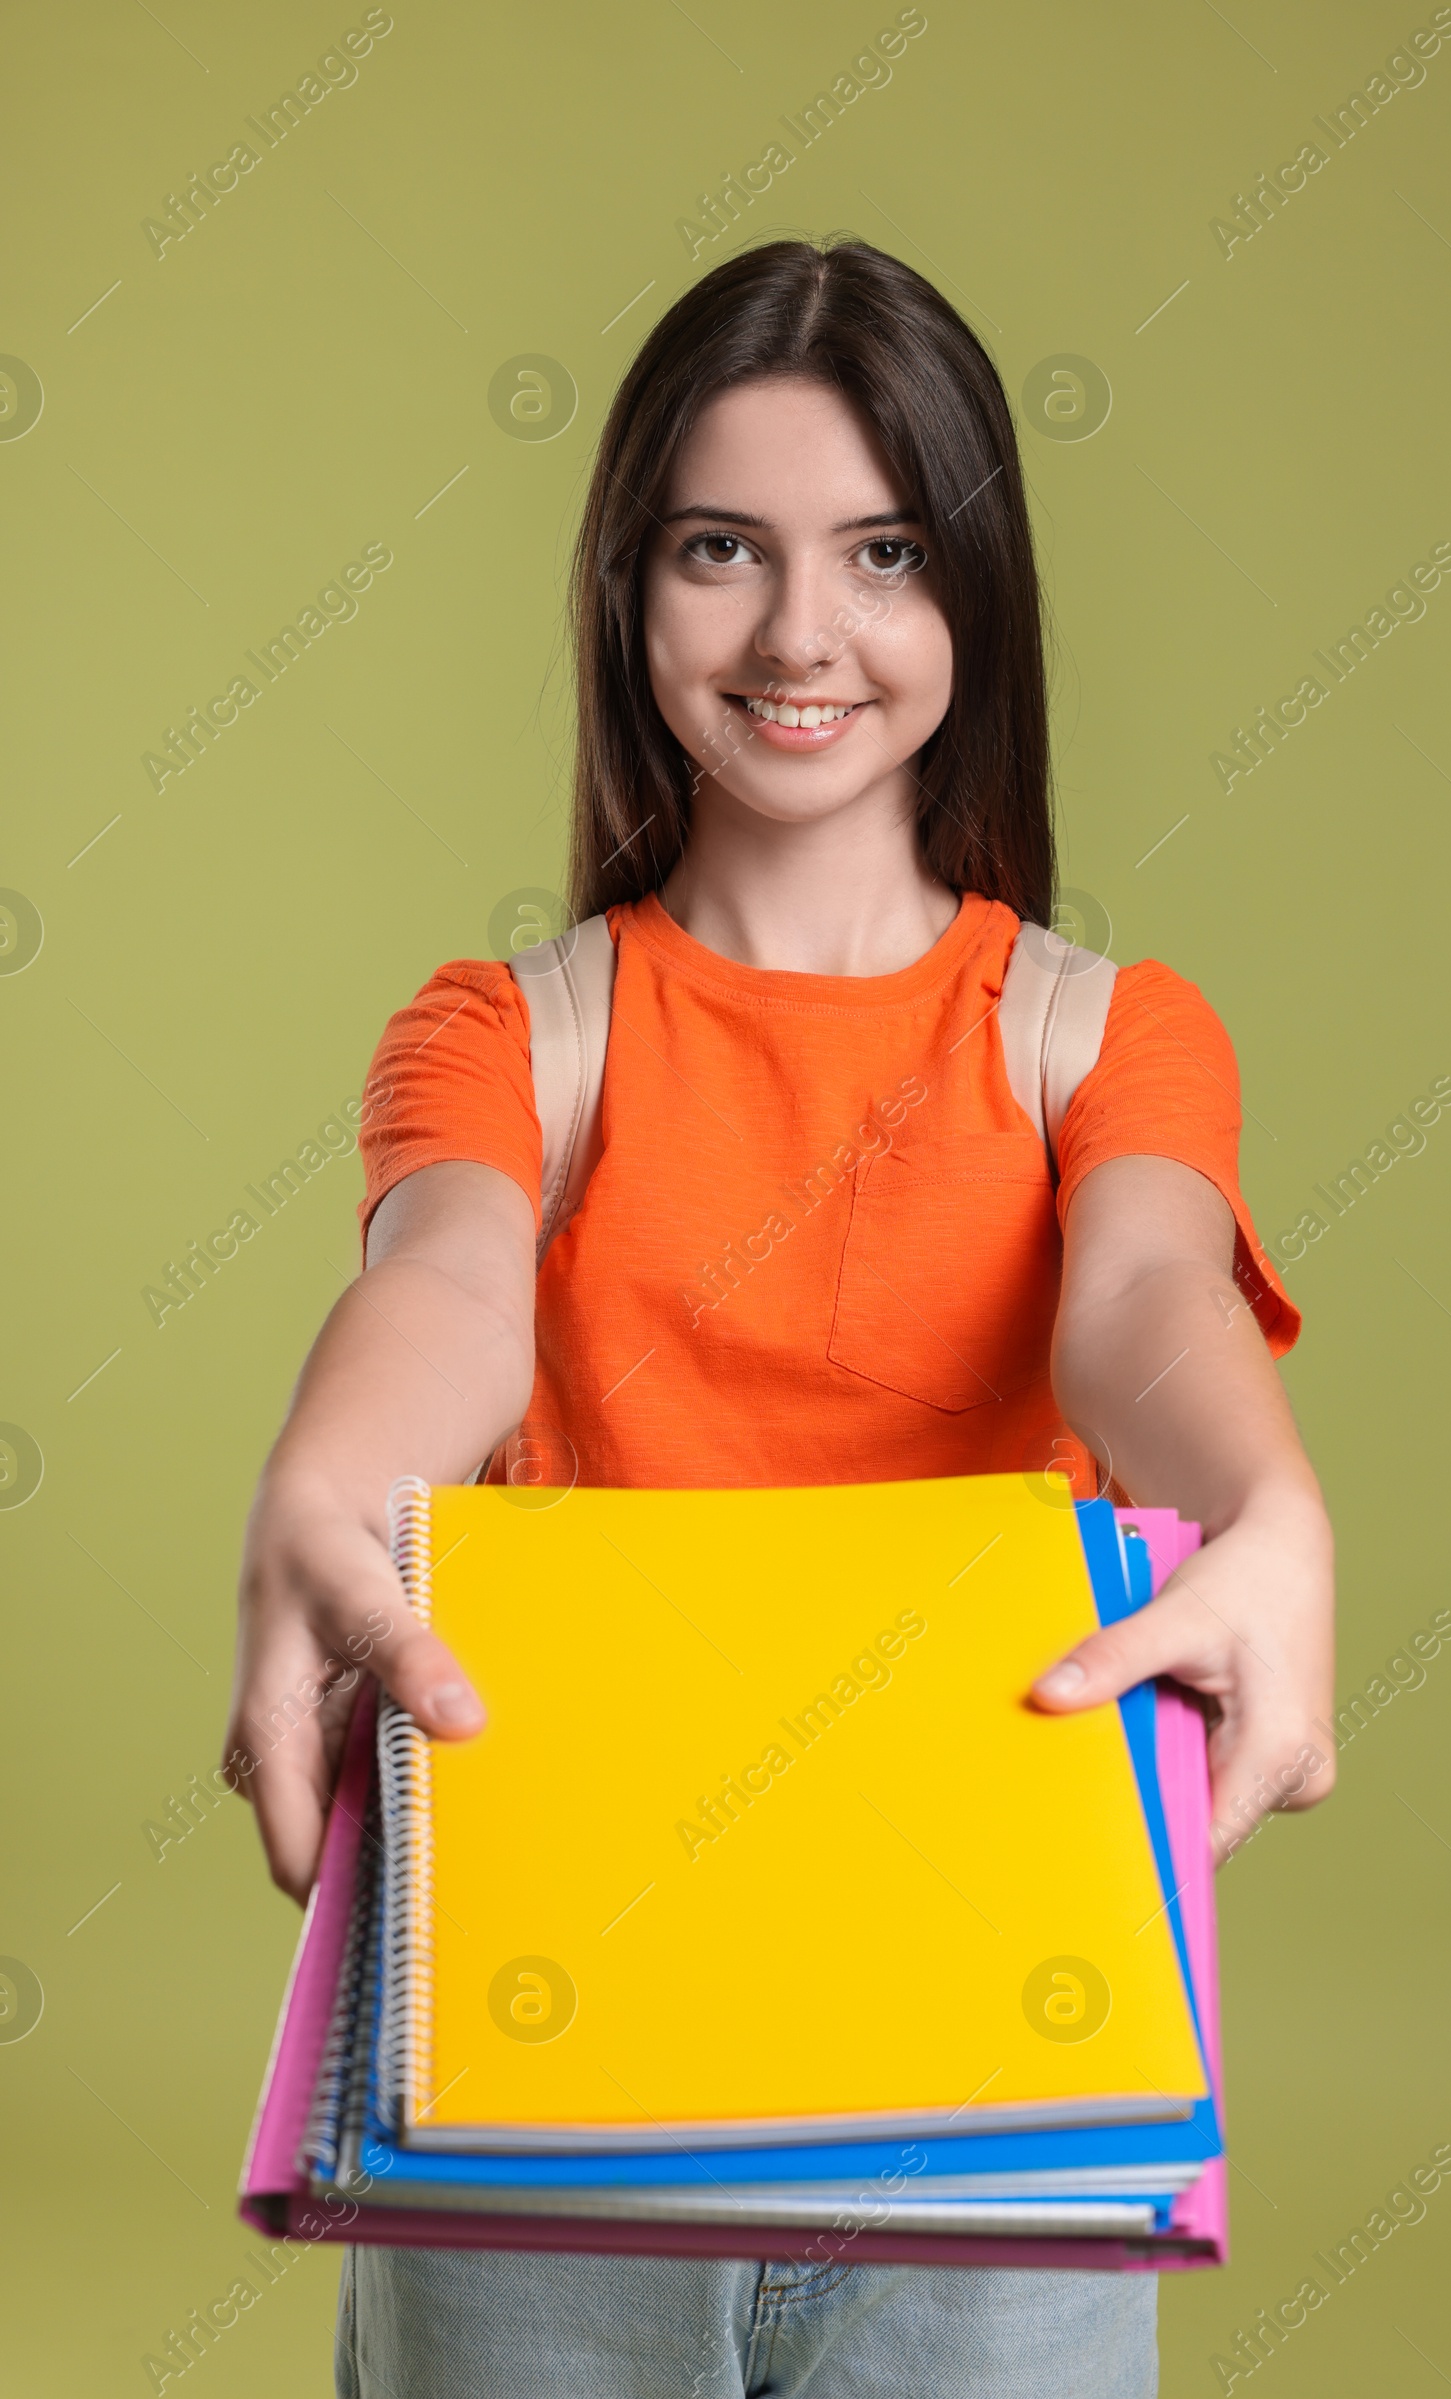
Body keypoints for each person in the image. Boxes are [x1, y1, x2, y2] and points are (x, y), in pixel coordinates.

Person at [226, 237, 1334, 2398]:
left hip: (990, 2083)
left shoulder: (1103, 1034)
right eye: (719, 550)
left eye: (884, 551)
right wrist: (329, 1481)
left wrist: (1267, 1506)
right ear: (628, 591)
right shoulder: (505, 1035)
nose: (799, 634)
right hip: (552, 2086)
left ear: (974, 599)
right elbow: (448, 1280)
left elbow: (1139, 1302)